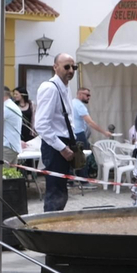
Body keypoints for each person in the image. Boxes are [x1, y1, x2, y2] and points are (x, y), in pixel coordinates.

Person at [33, 54, 81, 212]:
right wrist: (61, 147)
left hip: (62, 143)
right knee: (55, 190)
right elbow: (41, 124)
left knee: (61, 190)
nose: (70, 70)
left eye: (73, 67)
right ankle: (49, 226)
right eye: (66, 67)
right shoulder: (50, 88)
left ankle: (55, 222)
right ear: (55, 67)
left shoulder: (65, 87)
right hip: (55, 145)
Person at [0, 87, 24, 164]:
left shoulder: (6, 108)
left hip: (5, 147)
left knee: (0, 174)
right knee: (11, 175)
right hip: (12, 146)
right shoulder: (12, 106)